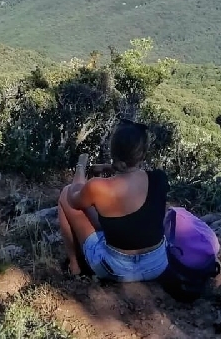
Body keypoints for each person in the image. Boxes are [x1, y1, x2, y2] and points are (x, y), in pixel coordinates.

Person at [58, 119, 170, 281]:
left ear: (112, 151)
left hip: (116, 269)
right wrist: (109, 167)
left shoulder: (97, 187)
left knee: (65, 193)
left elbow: (73, 197)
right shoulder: (159, 178)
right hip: (157, 265)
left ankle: (74, 267)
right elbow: (133, 173)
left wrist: (81, 166)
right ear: (143, 154)